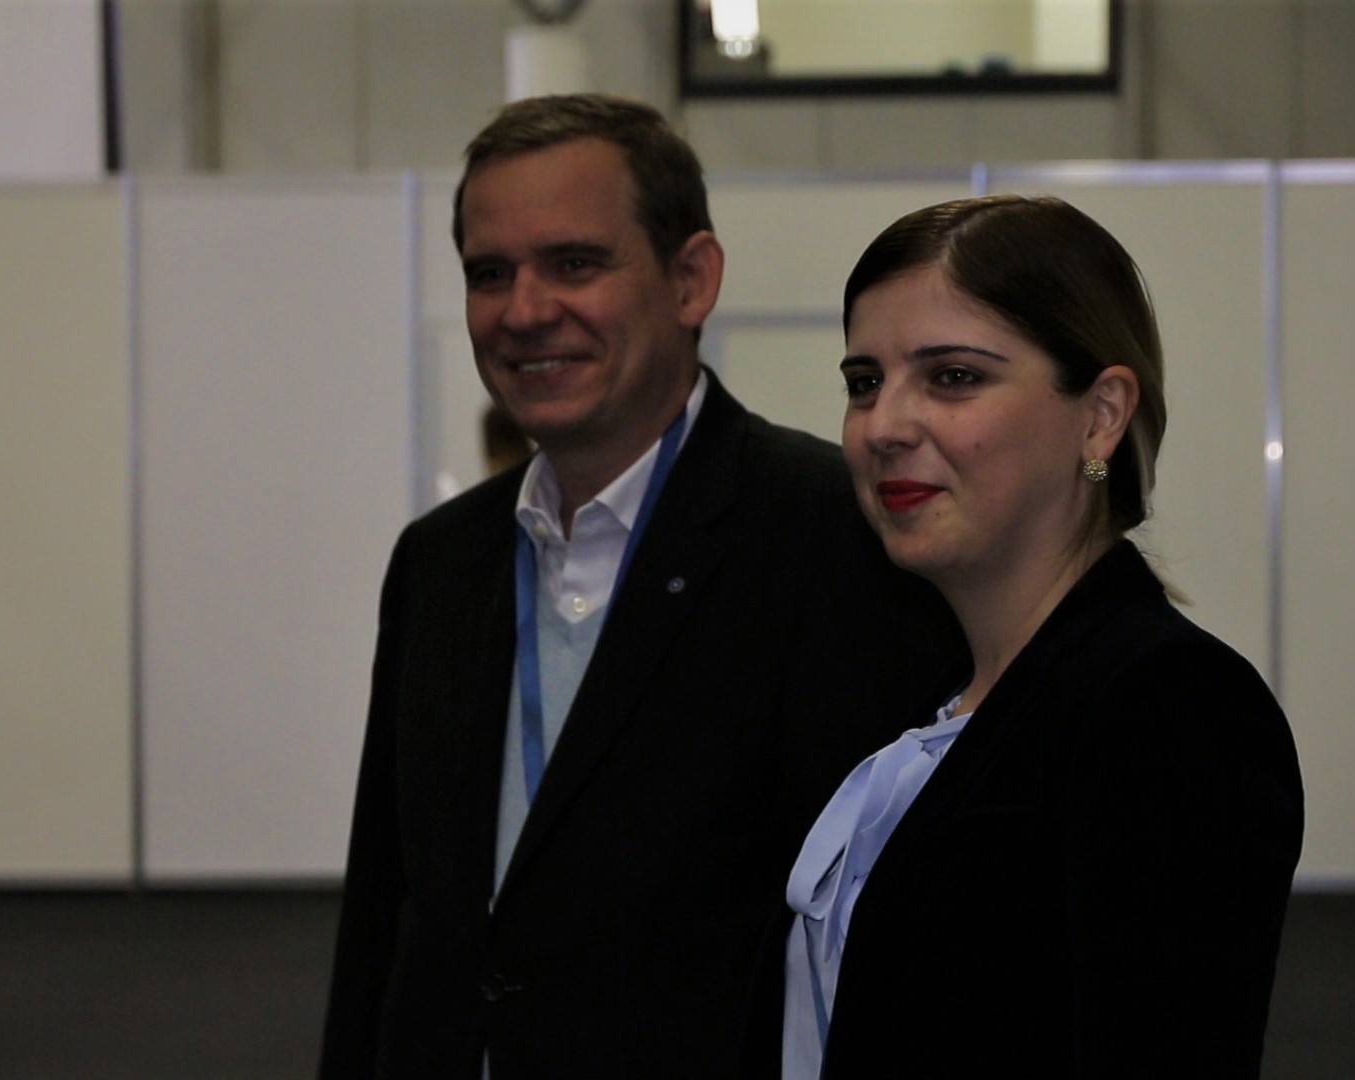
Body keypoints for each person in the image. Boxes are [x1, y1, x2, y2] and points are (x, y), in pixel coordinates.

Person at [317, 94, 961, 1079]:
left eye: (575, 263)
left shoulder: (839, 539)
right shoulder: (440, 562)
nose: (525, 310)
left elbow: (900, 938)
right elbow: (384, 912)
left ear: (691, 279)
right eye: (490, 274)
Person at [783, 195, 1304, 1078]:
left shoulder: (1168, 707)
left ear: (1100, 414)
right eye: (864, 382)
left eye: (953, 377)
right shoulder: (929, 694)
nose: (885, 425)